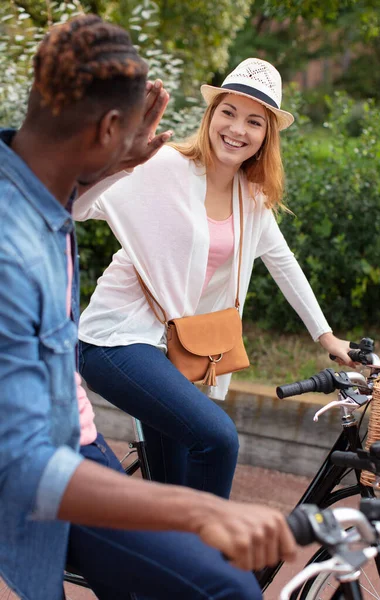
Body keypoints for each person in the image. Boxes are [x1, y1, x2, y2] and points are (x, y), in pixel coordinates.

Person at [0, 14, 297, 600]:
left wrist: (114, 165)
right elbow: (24, 467)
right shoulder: (13, 252)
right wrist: (191, 513)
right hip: (44, 477)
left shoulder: (41, 200)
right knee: (227, 587)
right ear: (110, 126)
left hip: (76, 443)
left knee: (189, 579)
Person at [73, 57, 354, 499]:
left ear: (266, 137)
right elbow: (76, 207)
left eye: (254, 121)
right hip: (117, 339)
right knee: (218, 438)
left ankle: (160, 562)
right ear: (211, 115)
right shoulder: (162, 165)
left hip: (176, 355)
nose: (237, 129)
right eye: (228, 112)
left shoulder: (252, 198)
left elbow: (284, 264)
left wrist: (327, 338)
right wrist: (118, 162)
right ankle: (207, 564)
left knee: (175, 495)